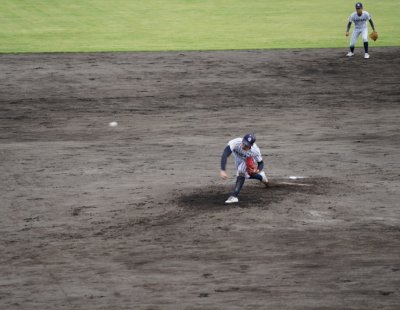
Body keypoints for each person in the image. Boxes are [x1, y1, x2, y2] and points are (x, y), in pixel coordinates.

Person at [220, 134, 269, 204]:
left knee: (241, 171)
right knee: (246, 175)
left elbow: (261, 163)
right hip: (238, 158)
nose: (244, 146)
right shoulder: (235, 142)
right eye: (244, 143)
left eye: (247, 145)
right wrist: (223, 170)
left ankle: (234, 196)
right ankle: (261, 177)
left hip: (248, 160)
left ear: (251, 146)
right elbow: (225, 154)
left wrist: (257, 170)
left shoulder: (255, 151)